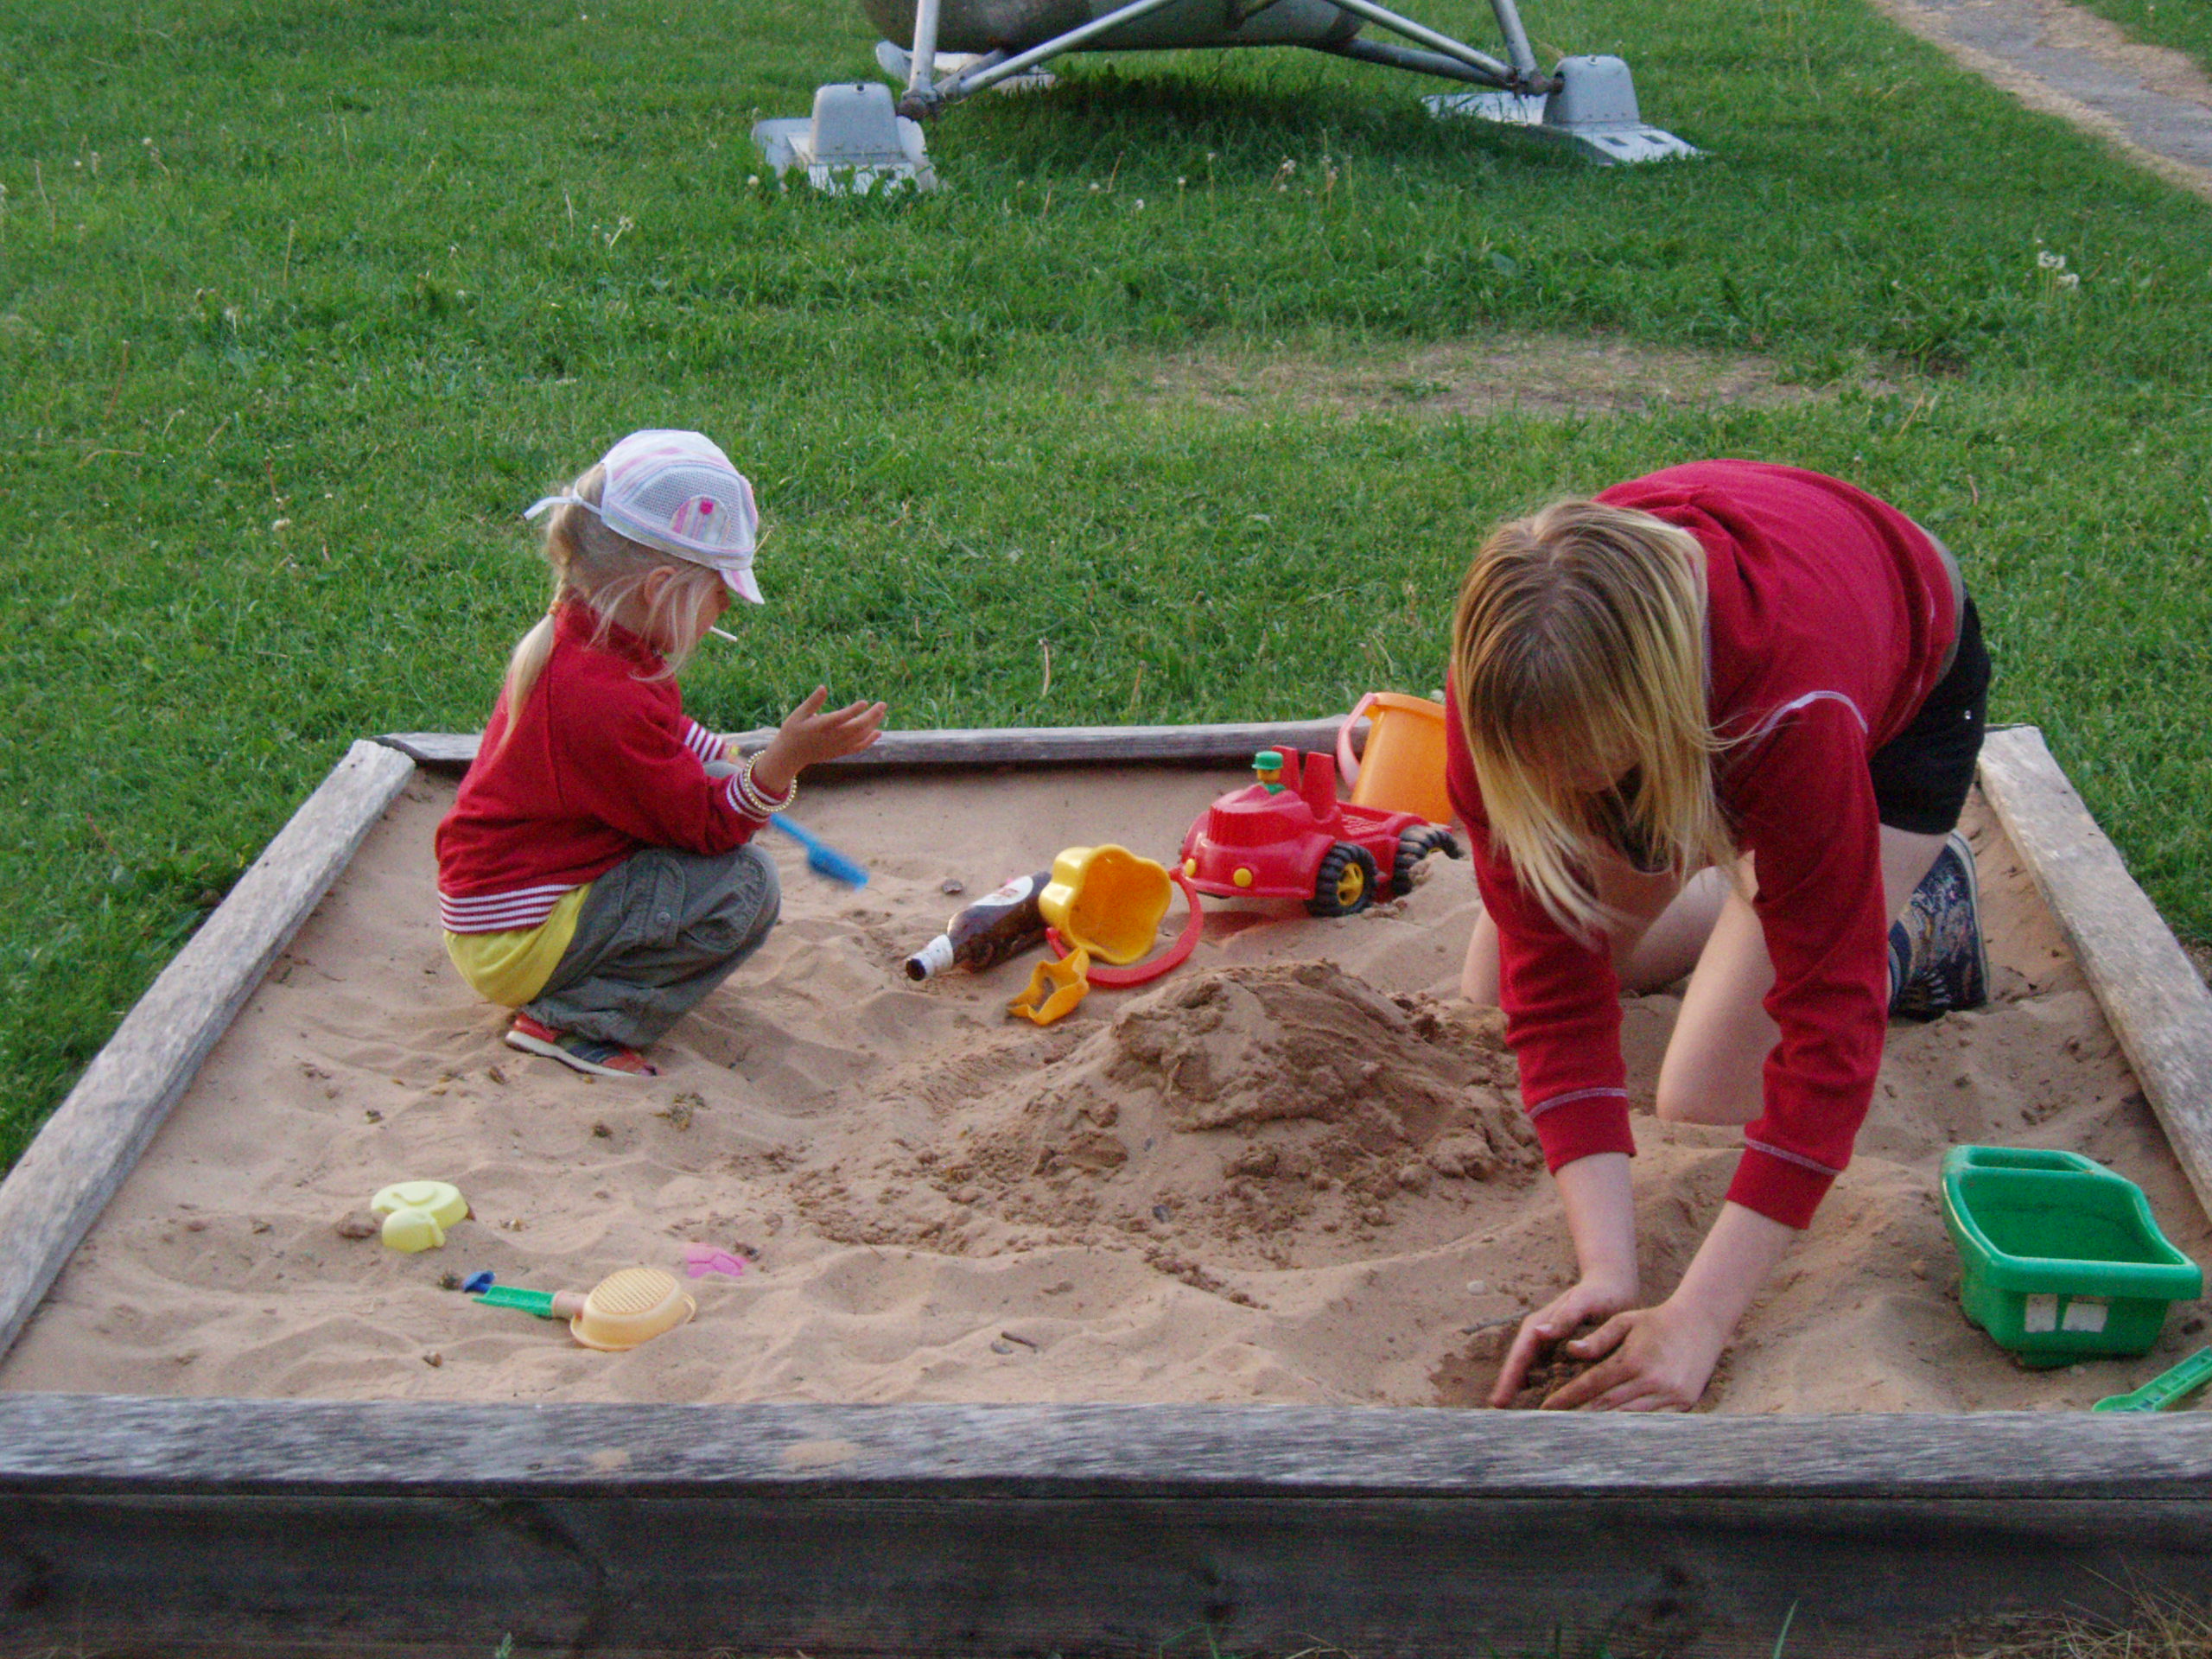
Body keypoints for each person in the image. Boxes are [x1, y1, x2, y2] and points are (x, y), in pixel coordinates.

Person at [1447, 459, 1991, 1411]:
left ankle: (1909, 916)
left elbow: (1829, 1039)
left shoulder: (1793, 710)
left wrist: (1696, 1320)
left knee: (1704, 1097)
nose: (1572, 810)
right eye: (1553, 786)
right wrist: (1605, 1271)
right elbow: (1553, 990)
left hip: (1896, 693)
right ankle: (1768, 887)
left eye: (1592, 780)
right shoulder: (1501, 696)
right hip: (1690, 710)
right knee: (1492, 987)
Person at [435, 429, 886, 1078]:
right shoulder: (602, 701)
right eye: (719, 591)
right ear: (661, 586)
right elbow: (709, 827)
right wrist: (782, 762)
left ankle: (576, 989)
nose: (726, 604)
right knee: (743, 887)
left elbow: (662, 732)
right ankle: (576, 1022)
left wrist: (723, 756)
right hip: (519, 935)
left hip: (500, 899)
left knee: (713, 823)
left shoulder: (587, 635)